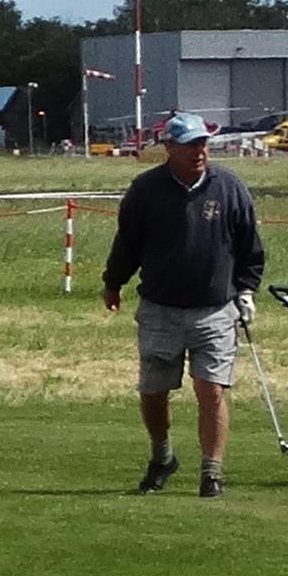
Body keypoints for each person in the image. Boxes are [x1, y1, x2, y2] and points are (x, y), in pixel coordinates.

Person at [100, 111, 264, 499]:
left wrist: (246, 290)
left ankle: (212, 472)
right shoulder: (145, 190)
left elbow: (249, 248)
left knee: (211, 391)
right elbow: (127, 244)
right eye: (190, 144)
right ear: (169, 148)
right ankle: (162, 456)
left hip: (215, 308)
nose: (199, 151)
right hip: (160, 308)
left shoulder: (229, 187)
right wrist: (113, 283)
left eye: (203, 143)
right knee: (154, 391)